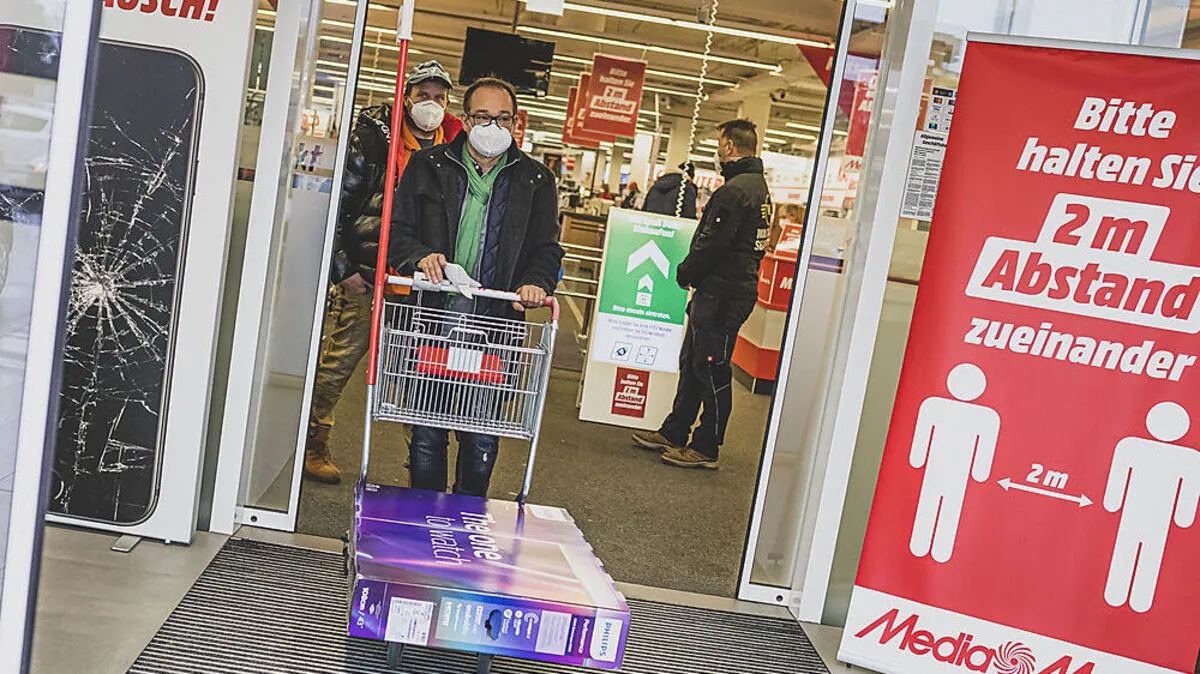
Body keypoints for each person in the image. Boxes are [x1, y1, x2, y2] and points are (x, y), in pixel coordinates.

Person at [389, 77, 564, 497]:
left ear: (516, 123)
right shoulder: (428, 167)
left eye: (503, 118)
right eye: (484, 116)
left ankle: (467, 518)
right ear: (465, 120)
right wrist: (420, 257)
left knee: (481, 435)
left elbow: (546, 248)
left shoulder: (536, 181)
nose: (494, 126)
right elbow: (398, 232)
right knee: (428, 433)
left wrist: (535, 283)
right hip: (435, 318)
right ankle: (423, 518)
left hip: (496, 324)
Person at [304, 61, 463, 484]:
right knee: (340, 362)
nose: (431, 104)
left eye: (439, 97)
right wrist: (344, 269)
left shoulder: (454, 148)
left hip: (419, 279)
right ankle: (312, 444)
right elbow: (339, 204)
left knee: (421, 372)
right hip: (366, 271)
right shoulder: (375, 138)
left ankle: (422, 463)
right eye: (423, 95)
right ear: (407, 96)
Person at [631, 119, 772, 469]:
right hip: (723, 290)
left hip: (723, 293)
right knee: (694, 362)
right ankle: (676, 429)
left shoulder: (736, 190)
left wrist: (686, 271)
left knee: (711, 368)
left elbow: (713, 243)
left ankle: (707, 445)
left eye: (720, 143)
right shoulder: (756, 188)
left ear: (729, 146)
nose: (717, 150)